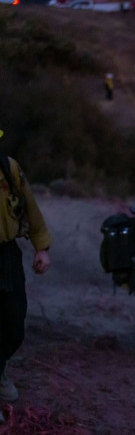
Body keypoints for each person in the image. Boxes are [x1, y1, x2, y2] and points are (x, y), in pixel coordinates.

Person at [0, 129, 52, 403]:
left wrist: (41, 247)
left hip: (6, 253)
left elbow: (29, 207)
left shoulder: (9, 168)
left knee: (14, 320)